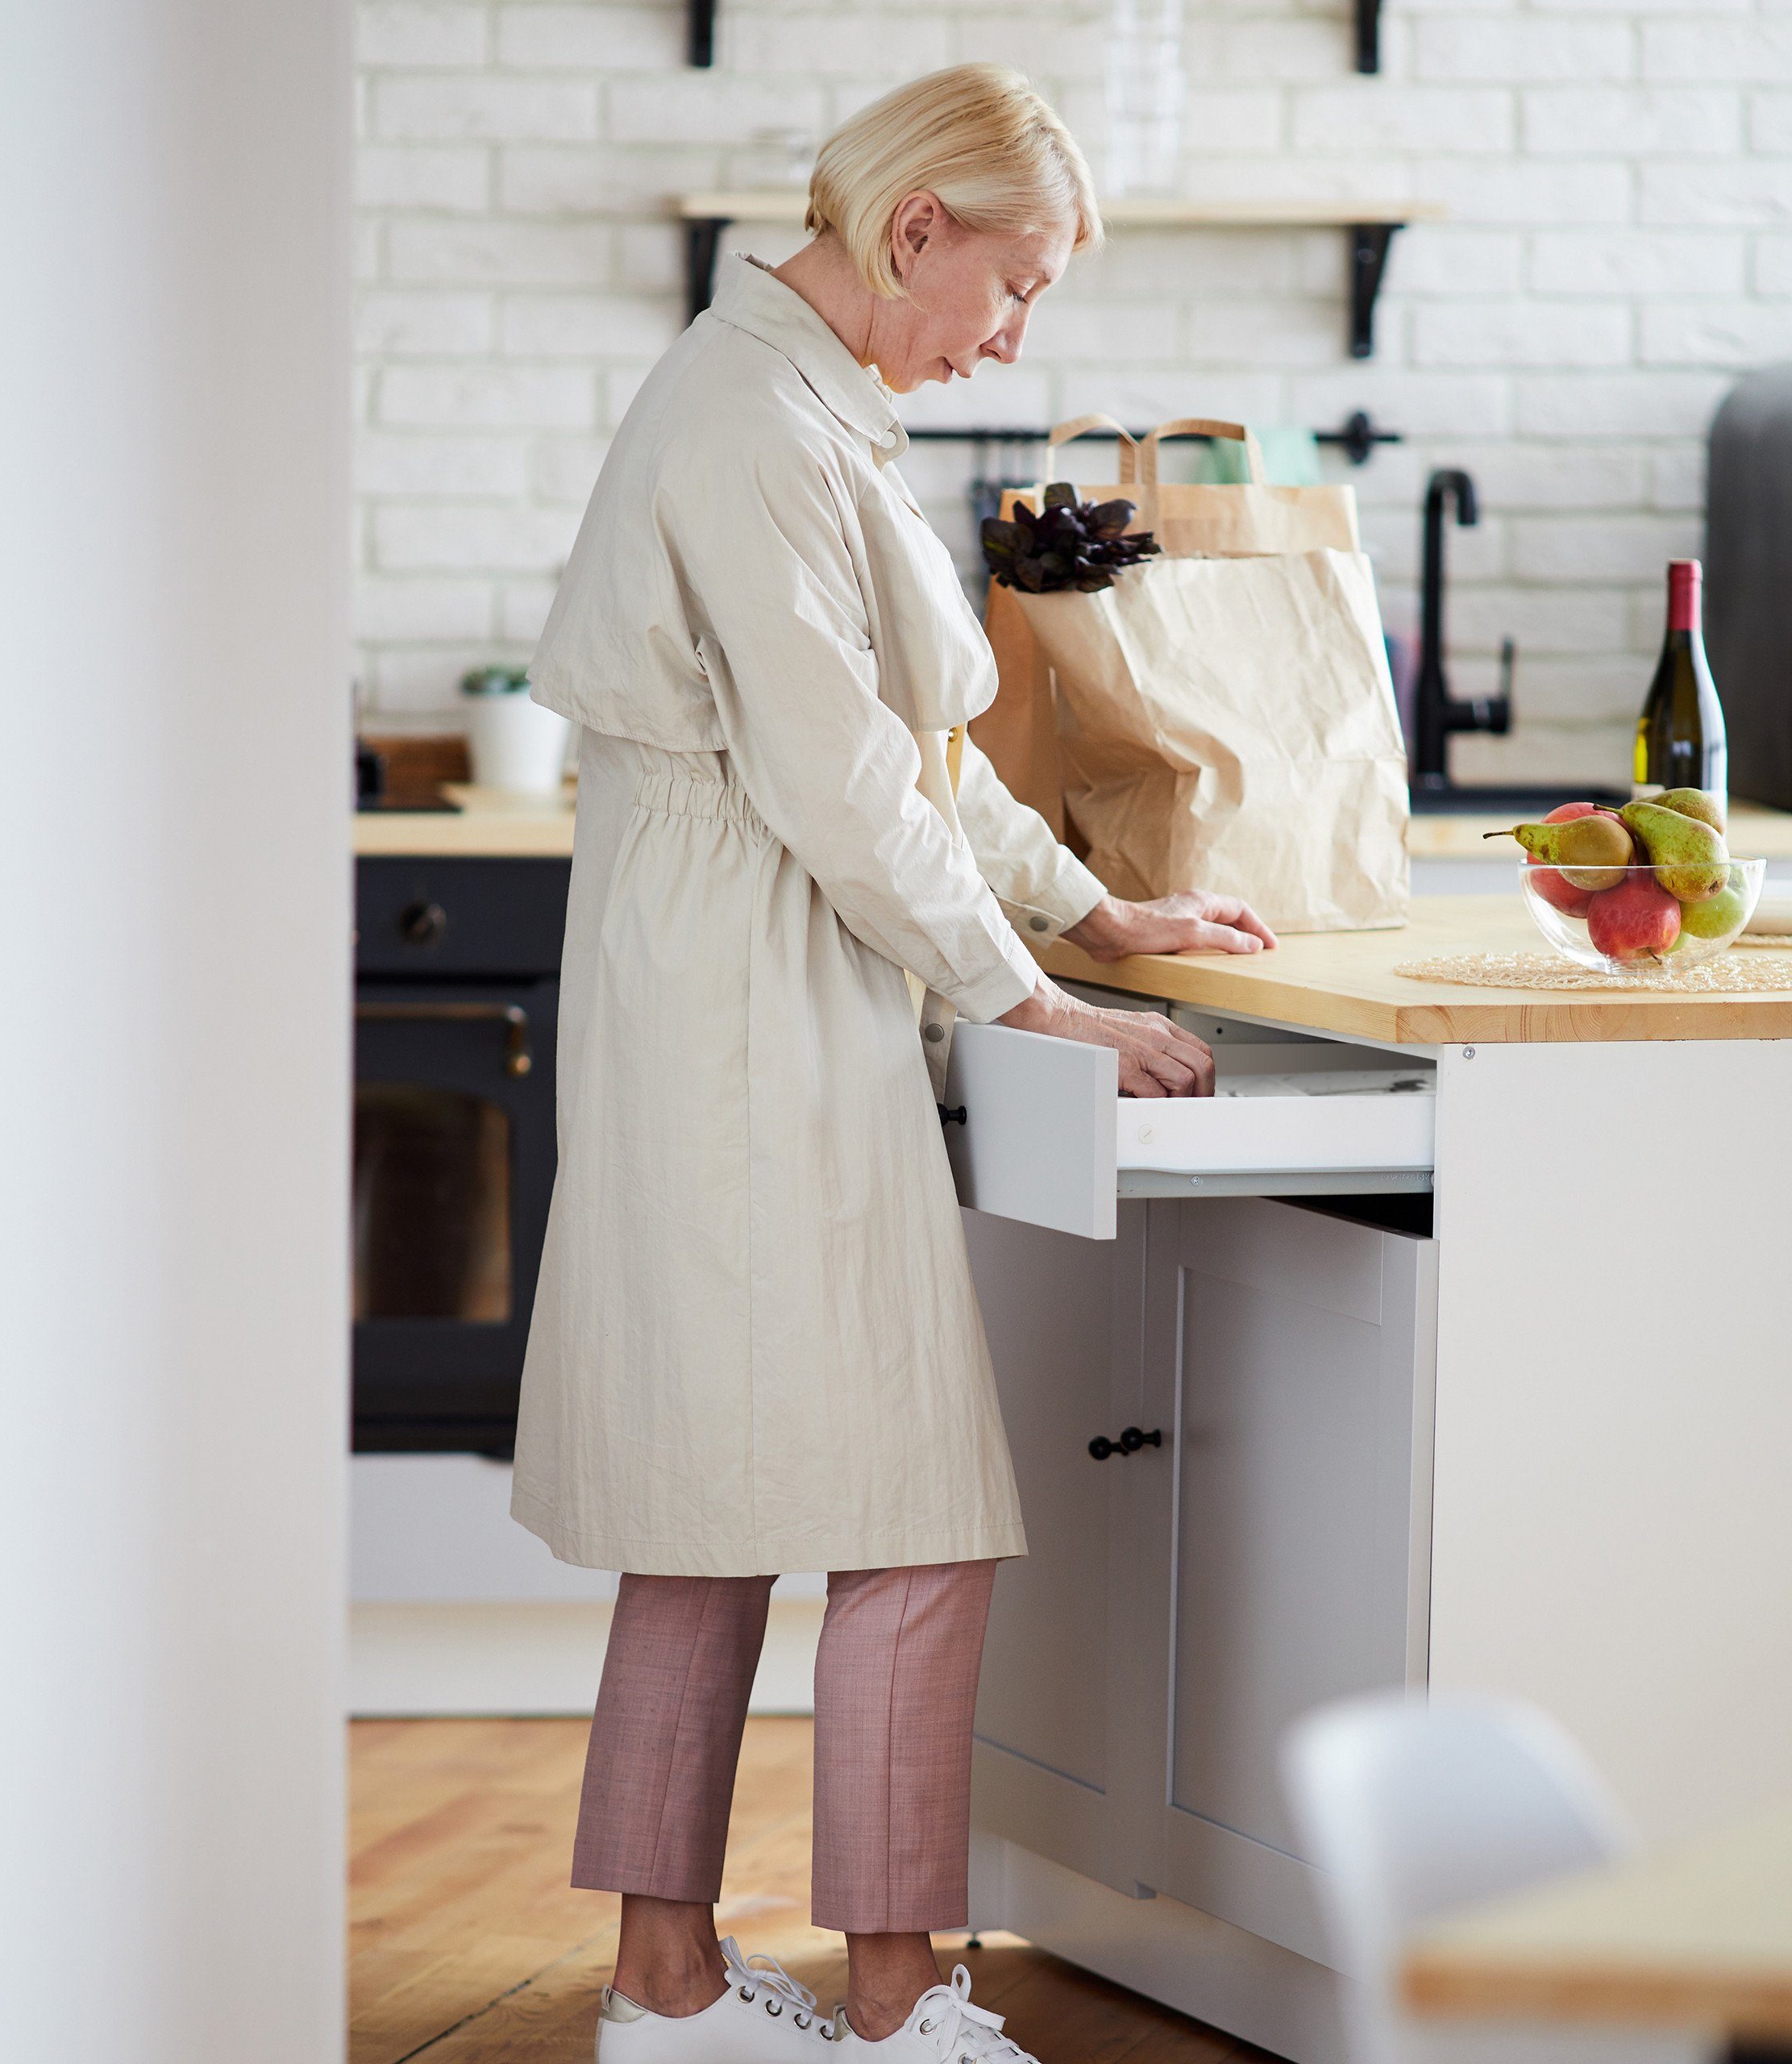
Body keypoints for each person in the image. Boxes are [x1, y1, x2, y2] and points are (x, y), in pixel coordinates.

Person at [512, 62, 1274, 2064]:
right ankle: (900, 2009)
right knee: (913, 1514)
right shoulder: (757, 421)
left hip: (735, 972)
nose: (1013, 341)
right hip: (755, 994)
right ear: (910, 230)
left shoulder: (783, 392)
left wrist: (1096, 915)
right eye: (1006, 291)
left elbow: (910, 756)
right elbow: (849, 787)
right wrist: (1034, 999)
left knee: (704, 1509)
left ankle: (663, 1991)